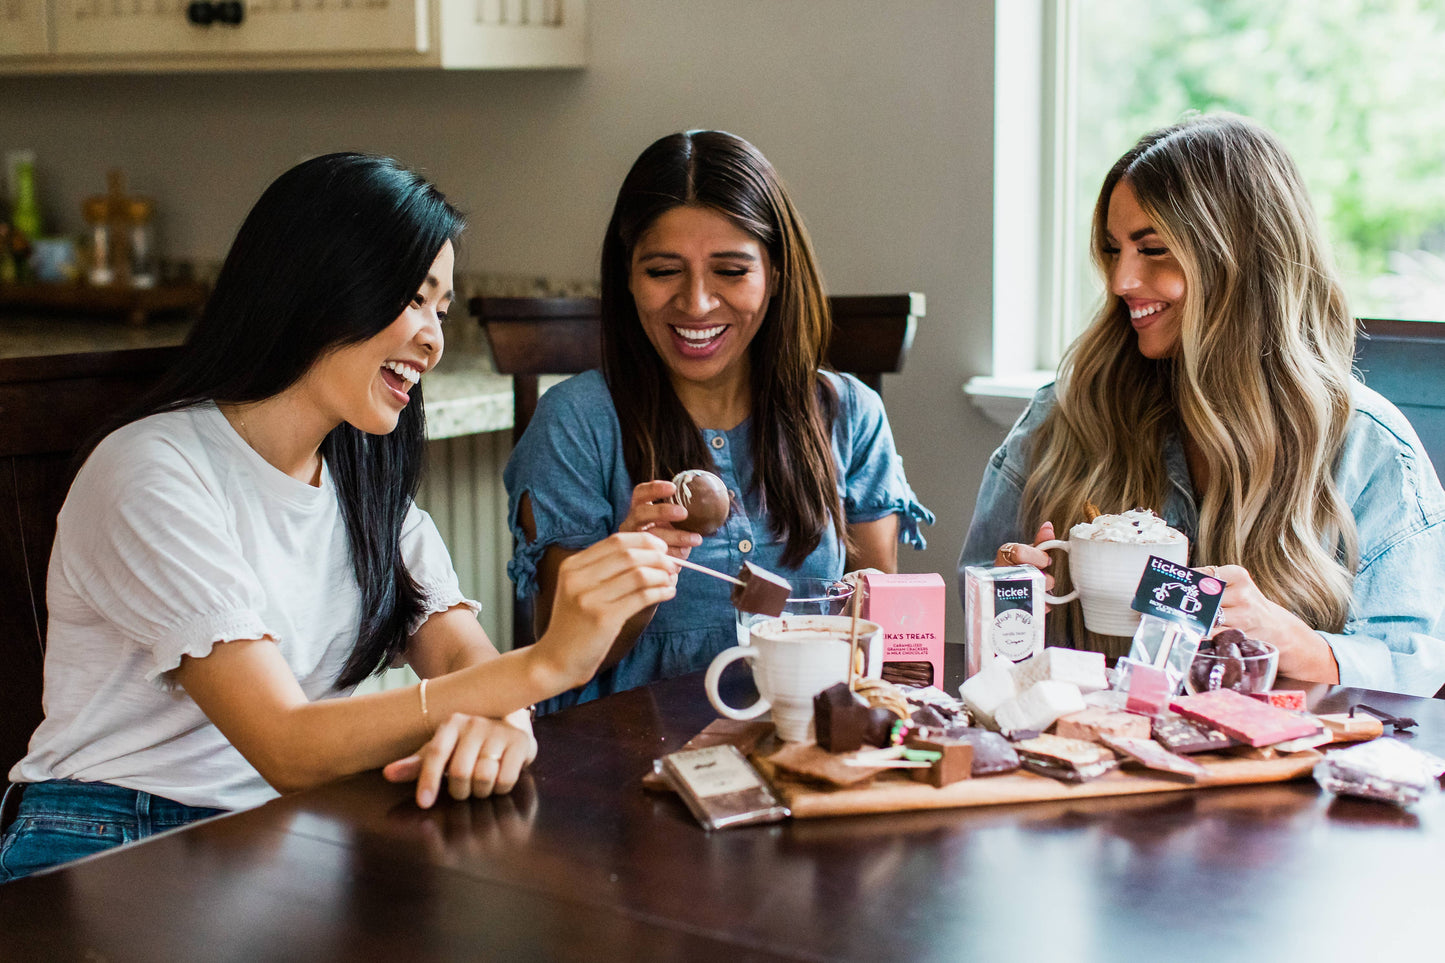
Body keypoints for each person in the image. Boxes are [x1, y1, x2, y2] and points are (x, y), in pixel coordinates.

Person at [0, 153, 679, 882]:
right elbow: (287, 744)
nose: (433, 339)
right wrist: (543, 667)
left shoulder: (368, 484)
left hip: (285, 837)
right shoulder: (152, 469)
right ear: (319, 284)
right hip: (108, 838)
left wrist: (505, 719)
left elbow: (457, 658)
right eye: (414, 299)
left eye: (441, 310)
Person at [959, 113, 1445, 695]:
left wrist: (1292, 641)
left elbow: (1419, 669)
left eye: (1154, 249)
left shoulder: (1365, 445)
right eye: (1114, 250)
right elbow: (976, 598)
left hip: (1279, 777)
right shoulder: (1066, 415)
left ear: (1241, 263)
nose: (1121, 280)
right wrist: (1004, 593)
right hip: (1087, 766)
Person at [505, 130, 933, 712]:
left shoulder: (850, 413)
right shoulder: (576, 423)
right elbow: (558, 665)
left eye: (731, 271)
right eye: (663, 271)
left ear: (775, 275)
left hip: (797, 744)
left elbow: (868, 630)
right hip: (616, 760)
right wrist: (635, 568)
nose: (697, 304)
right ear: (628, 277)